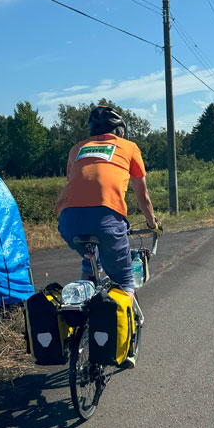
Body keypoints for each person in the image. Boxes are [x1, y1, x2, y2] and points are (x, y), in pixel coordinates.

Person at [55, 105, 161, 305]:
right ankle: (124, 328)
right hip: (107, 220)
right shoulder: (129, 147)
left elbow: (74, 181)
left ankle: (85, 307)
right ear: (120, 131)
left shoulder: (76, 149)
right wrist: (152, 224)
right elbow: (143, 195)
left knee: (91, 258)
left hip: (68, 221)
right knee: (124, 281)